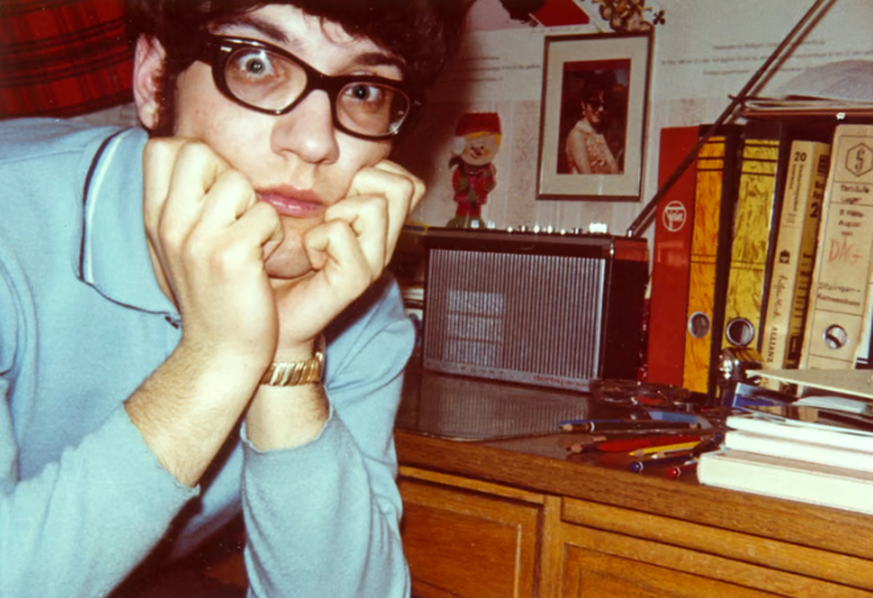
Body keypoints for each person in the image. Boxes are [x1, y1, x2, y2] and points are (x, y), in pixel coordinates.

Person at [0, 1, 469, 596]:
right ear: (155, 80)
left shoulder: (353, 299)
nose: (314, 142)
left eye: (363, 92)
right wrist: (217, 358)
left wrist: (287, 356)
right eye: (256, 64)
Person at [564, 79, 620, 174]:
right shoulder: (577, 135)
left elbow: (614, 168)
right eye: (595, 104)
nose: (601, 109)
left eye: (603, 105)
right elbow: (587, 176)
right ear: (583, 105)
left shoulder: (598, 134)